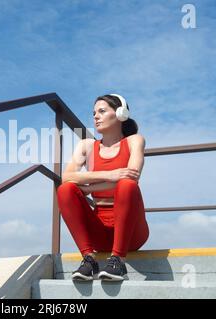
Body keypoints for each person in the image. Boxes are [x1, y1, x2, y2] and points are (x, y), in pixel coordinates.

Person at [56, 93, 149, 281]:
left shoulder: (134, 141)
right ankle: (89, 260)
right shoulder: (87, 146)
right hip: (100, 233)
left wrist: (88, 188)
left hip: (132, 233)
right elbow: (66, 178)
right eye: (94, 113)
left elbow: (132, 176)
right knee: (65, 190)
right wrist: (110, 175)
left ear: (121, 114)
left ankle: (118, 261)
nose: (95, 116)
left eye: (102, 111)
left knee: (127, 185)